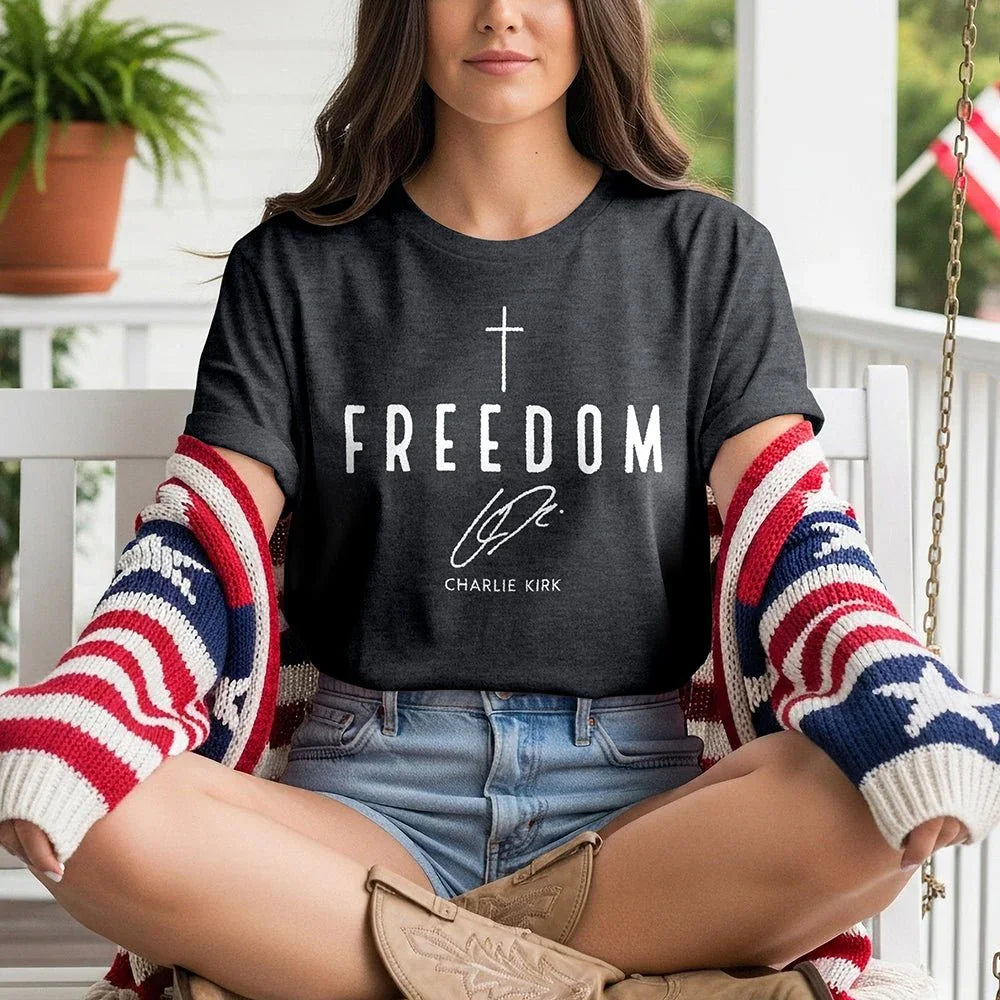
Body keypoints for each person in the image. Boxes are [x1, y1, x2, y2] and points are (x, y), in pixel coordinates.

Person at [0, 3, 976, 1000]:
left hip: (636, 811)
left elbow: (795, 534)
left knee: (865, 798)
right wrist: (83, 709)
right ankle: (610, 985)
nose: (500, 14)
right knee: (108, 819)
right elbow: (197, 546)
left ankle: (379, 970)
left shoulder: (709, 256)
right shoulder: (296, 266)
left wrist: (897, 686)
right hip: (361, 809)